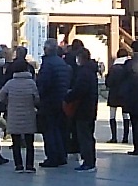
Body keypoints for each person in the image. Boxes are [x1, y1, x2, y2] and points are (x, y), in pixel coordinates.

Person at [0, 56, 40, 172]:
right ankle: (30, 166)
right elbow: (37, 99)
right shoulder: (31, 83)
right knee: (29, 142)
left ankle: (18, 165)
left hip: (14, 115)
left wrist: (8, 102)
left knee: (15, 142)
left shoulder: (10, 83)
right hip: (28, 115)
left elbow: (0, 96)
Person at [67, 41, 101, 171]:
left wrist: (68, 97)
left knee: (84, 135)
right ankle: (89, 160)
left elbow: (79, 90)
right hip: (90, 107)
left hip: (83, 108)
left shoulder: (84, 73)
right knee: (88, 134)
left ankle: (88, 161)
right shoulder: (91, 70)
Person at [36, 42, 71, 167]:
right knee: (59, 129)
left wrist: (39, 96)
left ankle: (52, 156)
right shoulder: (61, 63)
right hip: (61, 99)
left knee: (49, 130)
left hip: (49, 101)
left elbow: (44, 83)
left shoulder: (48, 64)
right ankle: (61, 155)